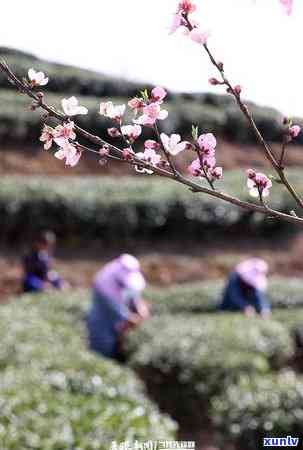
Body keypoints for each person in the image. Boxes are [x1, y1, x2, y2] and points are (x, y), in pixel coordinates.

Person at [87, 254, 150, 361]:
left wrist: (140, 307)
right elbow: (122, 314)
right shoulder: (104, 287)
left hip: (115, 330)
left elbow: (133, 296)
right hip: (102, 333)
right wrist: (137, 318)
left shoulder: (123, 281)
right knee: (103, 355)